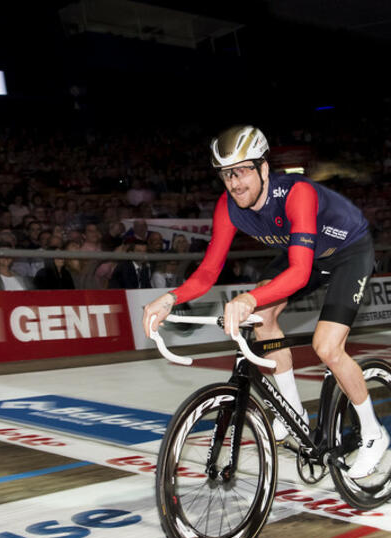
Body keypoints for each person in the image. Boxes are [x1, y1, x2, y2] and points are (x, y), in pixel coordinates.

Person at [142, 124, 386, 479]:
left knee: (327, 347)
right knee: (261, 316)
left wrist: (248, 298)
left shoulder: (297, 193)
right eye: (227, 174)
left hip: (348, 252)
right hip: (304, 253)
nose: (234, 183)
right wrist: (169, 298)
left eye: (242, 171)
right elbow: (208, 271)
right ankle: (293, 411)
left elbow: (299, 273)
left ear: (264, 168)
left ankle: (373, 433)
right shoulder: (228, 207)